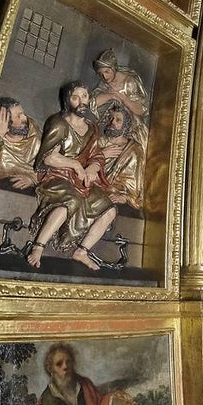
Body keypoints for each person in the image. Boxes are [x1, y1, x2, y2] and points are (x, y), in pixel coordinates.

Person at [25, 81, 127, 271]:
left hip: (82, 180)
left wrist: (92, 169)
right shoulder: (59, 123)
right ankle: (38, 247)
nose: (81, 102)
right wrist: (74, 164)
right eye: (75, 97)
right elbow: (48, 158)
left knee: (109, 210)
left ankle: (82, 251)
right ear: (67, 100)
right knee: (69, 202)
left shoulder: (92, 128)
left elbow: (97, 156)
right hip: (57, 177)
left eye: (85, 97)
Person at [0, 97, 41, 188]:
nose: (25, 118)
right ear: (5, 123)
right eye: (18, 116)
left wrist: (33, 179)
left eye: (23, 113)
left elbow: (54, 168)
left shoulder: (34, 134)